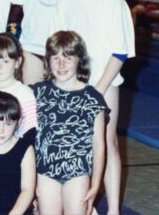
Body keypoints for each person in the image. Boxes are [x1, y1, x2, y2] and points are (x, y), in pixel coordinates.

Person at [54, 0, 135, 215]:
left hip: (105, 82)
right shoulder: (65, 2)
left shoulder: (114, 2)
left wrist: (97, 89)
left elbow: (120, 52)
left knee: (107, 142)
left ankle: (112, 208)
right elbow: (59, 49)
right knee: (76, 146)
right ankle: (82, 204)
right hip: (71, 84)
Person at [33, 31, 107, 215]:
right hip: (45, 171)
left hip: (78, 171)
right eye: (55, 58)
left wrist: (96, 184)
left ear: (79, 60)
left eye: (68, 58)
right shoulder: (37, 93)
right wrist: (29, 181)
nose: (61, 64)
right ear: (48, 61)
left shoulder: (92, 98)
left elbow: (99, 144)